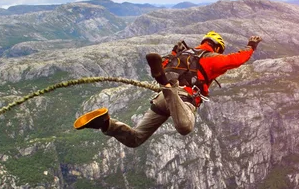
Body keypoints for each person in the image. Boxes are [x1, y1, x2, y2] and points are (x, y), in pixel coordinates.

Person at [73, 31, 262, 147]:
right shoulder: (212, 58)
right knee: (185, 127)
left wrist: (172, 54)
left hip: (161, 100)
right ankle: (166, 84)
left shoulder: (180, 54)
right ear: (217, 47)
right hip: (181, 98)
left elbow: (163, 63)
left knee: (135, 139)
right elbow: (237, 59)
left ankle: (106, 123)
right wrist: (251, 46)